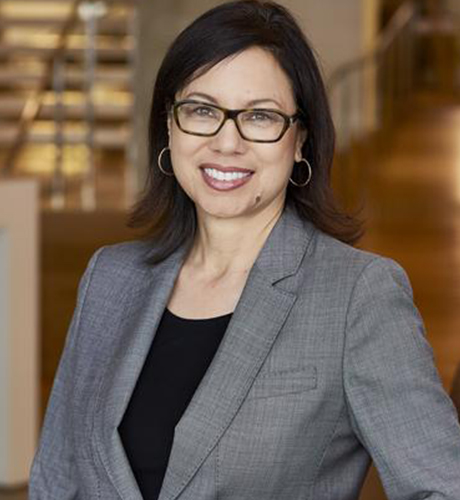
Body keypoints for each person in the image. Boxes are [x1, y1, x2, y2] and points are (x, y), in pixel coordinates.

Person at [29, 1, 460, 499]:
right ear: (169, 124)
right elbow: (55, 482)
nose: (226, 142)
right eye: (202, 110)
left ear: (300, 140)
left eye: (259, 116)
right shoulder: (109, 277)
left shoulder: (358, 296)